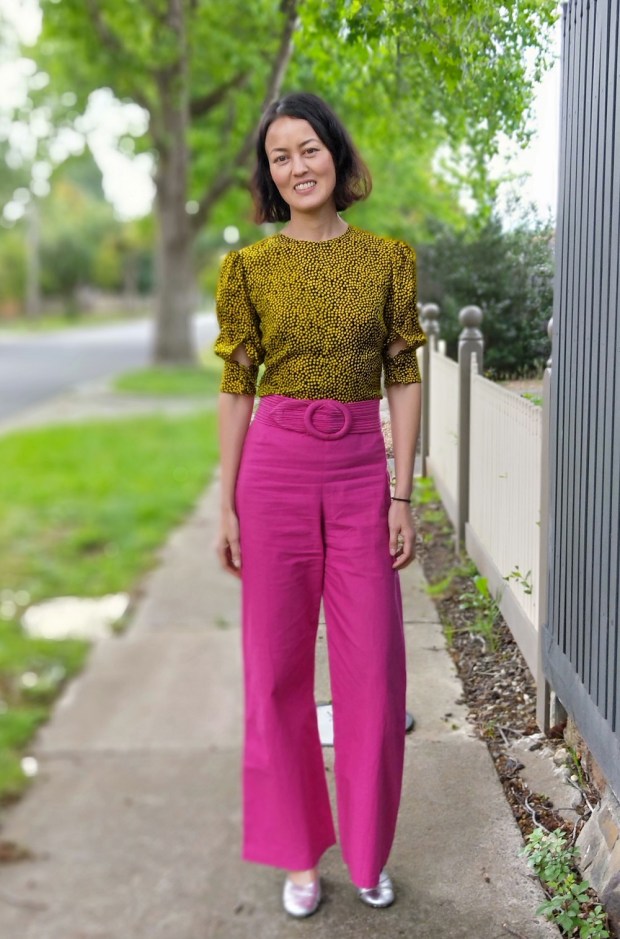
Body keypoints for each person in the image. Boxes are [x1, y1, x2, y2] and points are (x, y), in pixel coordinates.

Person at [214, 91, 425, 918]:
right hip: (273, 471)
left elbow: (403, 377)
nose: (296, 167)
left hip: (359, 474)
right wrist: (227, 503)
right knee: (275, 672)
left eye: (308, 149)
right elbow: (236, 388)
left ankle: (369, 851)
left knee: (372, 666)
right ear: (269, 176)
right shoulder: (248, 269)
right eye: (279, 157)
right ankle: (299, 854)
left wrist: (402, 490)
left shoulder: (388, 260)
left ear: (335, 155)